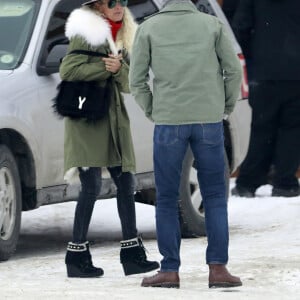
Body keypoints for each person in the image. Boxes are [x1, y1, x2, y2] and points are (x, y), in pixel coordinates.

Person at [129, 0, 243, 289]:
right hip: (208, 120)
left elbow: (136, 78)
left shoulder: (149, 28)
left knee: (166, 198)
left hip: (169, 121)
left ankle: (169, 270)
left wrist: (153, 109)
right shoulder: (211, 25)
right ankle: (218, 269)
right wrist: (225, 106)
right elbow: (233, 71)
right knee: (215, 196)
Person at [59, 0, 159, 278]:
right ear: (99, 6)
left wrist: (119, 68)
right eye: (112, 2)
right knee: (90, 187)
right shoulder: (87, 31)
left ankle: (132, 255)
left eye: (123, 1)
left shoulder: (124, 34)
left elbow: (128, 83)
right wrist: (107, 68)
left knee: (126, 182)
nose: (119, 6)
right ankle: (76, 257)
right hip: (88, 121)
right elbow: (69, 70)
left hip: (114, 121)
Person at [231, 0, 300, 198]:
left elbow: (241, 27)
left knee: (260, 128)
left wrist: (254, 54)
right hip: (296, 73)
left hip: (263, 71)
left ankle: (248, 182)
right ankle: (285, 182)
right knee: (293, 129)